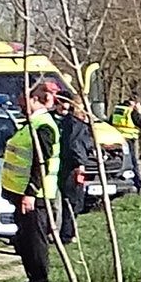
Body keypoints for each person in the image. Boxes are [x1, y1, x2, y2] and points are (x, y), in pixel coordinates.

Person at [0, 81, 63, 282]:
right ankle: (32, 281)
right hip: (23, 194)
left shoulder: (43, 126)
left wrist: (30, 193)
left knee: (35, 241)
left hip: (36, 196)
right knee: (25, 240)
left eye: (25, 98)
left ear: (35, 100)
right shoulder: (32, 124)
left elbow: (40, 163)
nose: (21, 102)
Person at [50, 87, 95, 246]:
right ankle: (59, 232)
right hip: (53, 166)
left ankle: (67, 234)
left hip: (70, 167)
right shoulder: (49, 119)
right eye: (60, 103)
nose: (63, 107)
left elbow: (78, 146)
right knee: (57, 202)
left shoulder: (76, 124)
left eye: (66, 104)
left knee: (72, 201)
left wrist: (79, 164)